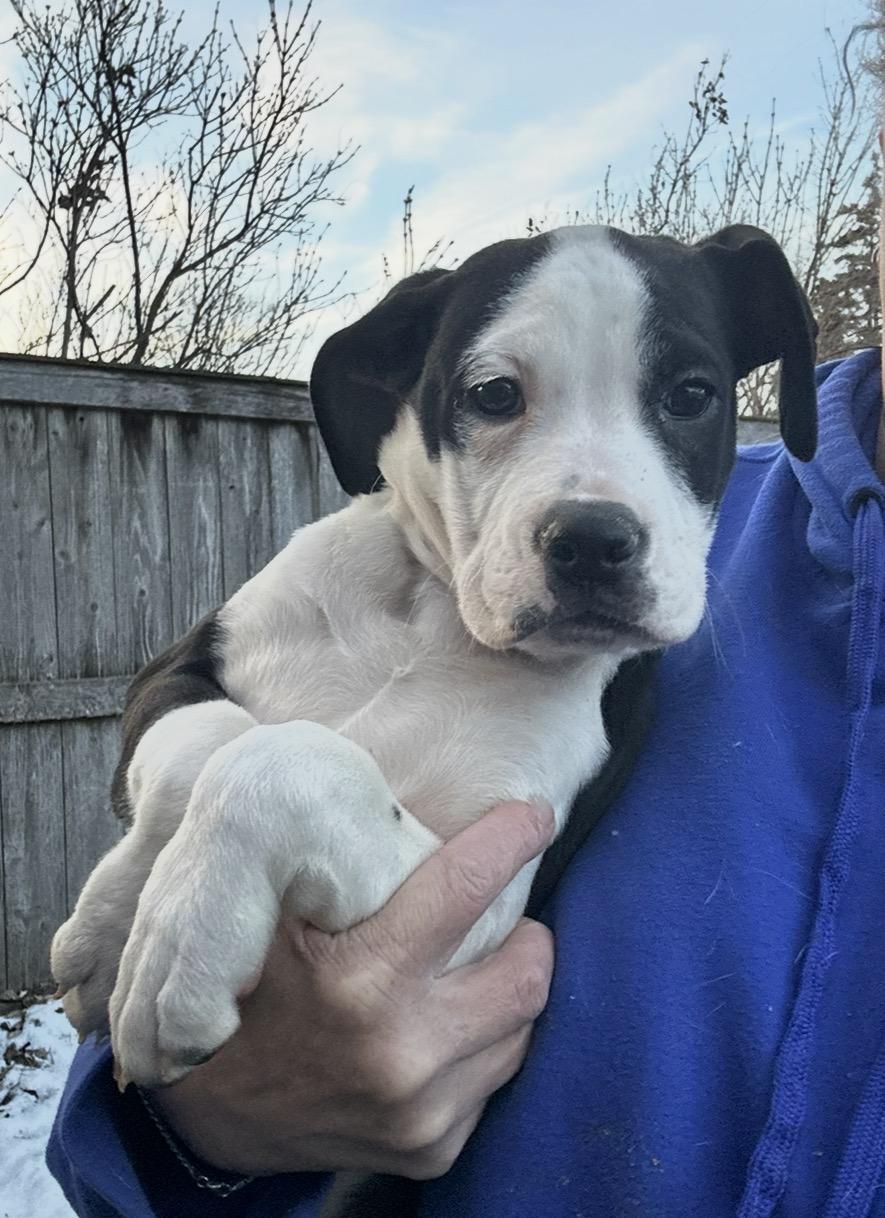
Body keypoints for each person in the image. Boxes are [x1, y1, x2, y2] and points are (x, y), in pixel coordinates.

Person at [47, 25, 885, 1218]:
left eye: (685, 397)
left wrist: (261, 795)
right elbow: (181, 707)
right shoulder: (342, 575)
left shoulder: (613, 685)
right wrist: (197, 1130)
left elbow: (431, 912)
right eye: (501, 398)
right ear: (402, 398)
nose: (596, 504)